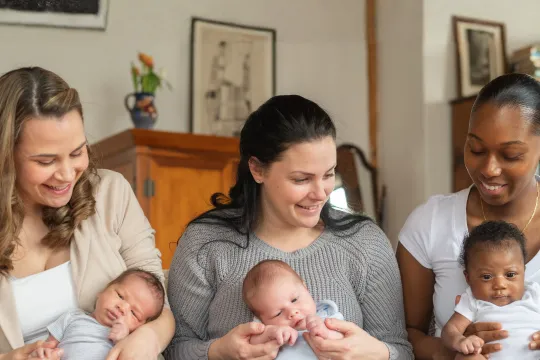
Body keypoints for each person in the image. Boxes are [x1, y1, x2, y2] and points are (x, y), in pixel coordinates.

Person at [164, 94, 413, 360]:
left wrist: (374, 353)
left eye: (329, 174)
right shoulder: (206, 243)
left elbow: (401, 351)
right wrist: (217, 352)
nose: (321, 193)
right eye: (301, 179)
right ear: (257, 170)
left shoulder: (364, 242)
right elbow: (173, 349)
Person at [0, 67, 174, 360]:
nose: (68, 174)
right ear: (6, 156)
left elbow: (161, 305)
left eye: (77, 152)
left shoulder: (110, 193)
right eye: (46, 160)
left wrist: (149, 338)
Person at [397, 72, 540, 360]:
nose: (489, 169)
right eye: (476, 148)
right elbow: (400, 333)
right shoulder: (430, 223)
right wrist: (447, 351)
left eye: (510, 155)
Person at [441, 221, 540, 359]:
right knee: (467, 357)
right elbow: (450, 330)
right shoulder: (472, 300)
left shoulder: (534, 293)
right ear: (468, 278)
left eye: (510, 275)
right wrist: (460, 341)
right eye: (486, 277)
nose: (499, 284)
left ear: (523, 271)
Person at [30, 269, 166, 359]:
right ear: (102, 290)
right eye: (120, 296)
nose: (122, 307)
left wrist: (122, 340)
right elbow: (48, 346)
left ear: (141, 326)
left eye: (134, 313)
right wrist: (45, 354)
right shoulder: (72, 318)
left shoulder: (131, 341)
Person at [242, 260, 344, 359]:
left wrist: (325, 332)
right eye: (278, 313)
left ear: (305, 288)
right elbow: (251, 347)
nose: (292, 312)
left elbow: (345, 343)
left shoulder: (327, 316)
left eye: (294, 300)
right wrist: (271, 333)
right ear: (262, 320)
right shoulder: (267, 331)